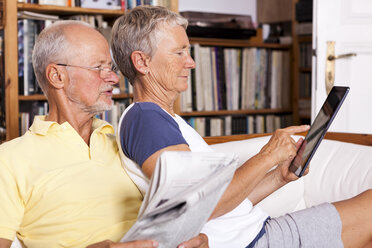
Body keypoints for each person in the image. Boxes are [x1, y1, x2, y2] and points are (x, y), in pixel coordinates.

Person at [110, 5, 372, 248]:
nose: (190, 62)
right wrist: (267, 155)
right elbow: (197, 204)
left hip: (257, 233)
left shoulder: (166, 120)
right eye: (179, 52)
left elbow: (221, 208)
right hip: (254, 241)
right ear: (142, 62)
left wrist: (278, 177)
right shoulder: (146, 117)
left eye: (188, 51)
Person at [0, 20, 208, 248]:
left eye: (111, 68)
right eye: (99, 68)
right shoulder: (9, 159)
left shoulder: (124, 141)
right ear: (57, 76)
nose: (114, 79)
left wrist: (200, 240)